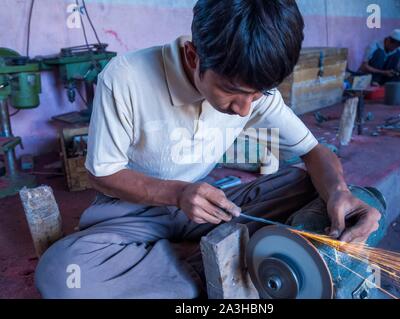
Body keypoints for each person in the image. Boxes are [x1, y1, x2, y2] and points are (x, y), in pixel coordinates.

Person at [35, 0, 381, 298]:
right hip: (132, 214)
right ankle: (217, 267)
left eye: (257, 95)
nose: (245, 109)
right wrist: (178, 193)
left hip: (209, 206)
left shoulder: (252, 88)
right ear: (192, 55)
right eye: (232, 92)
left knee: (343, 199)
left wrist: (338, 191)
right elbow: (102, 174)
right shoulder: (125, 78)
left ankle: (186, 268)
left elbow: (313, 150)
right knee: (62, 275)